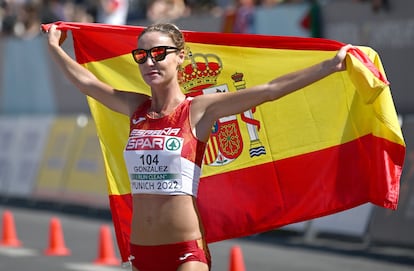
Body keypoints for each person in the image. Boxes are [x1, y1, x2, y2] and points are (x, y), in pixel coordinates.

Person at [45, 22, 353, 271]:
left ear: (180, 55)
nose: (150, 61)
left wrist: (330, 65)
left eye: (159, 52)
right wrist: (55, 48)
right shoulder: (134, 107)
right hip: (141, 253)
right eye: (142, 55)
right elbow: (87, 83)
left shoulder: (198, 110)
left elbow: (270, 90)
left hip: (185, 253)